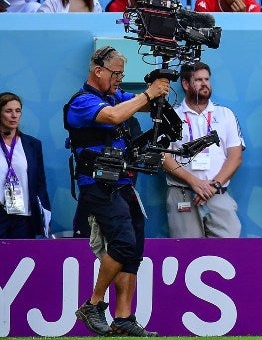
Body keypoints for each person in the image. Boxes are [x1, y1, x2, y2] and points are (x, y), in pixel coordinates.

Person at [67, 46, 171, 337]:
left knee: (134, 250)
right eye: (115, 74)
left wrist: (160, 87)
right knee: (123, 243)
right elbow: (113, 116)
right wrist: (149, 93)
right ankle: (93, 303)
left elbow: (144, 105)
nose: (119, 79)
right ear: (97, 71)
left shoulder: (116, 96)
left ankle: (123, 317)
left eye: (122, 75)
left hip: (124, 185)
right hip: (98, 187)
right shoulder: (82, 102)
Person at [163, 62, 244, 238]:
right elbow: (164, 157)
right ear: (185, 84)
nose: (205, 83)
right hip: (183, 193)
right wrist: (194, 182)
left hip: (217, 193)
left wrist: (213, 186)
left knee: (229, 249)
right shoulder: (171, 117)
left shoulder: (225, 114)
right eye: (198, 80)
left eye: (207, 79)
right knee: (186, 253)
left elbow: (235, 157)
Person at [0, 91, 50, 238]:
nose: (14, 115)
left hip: (24, 216)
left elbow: (40, 182)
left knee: (21, 258)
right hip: (1, 212)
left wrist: (44, 215)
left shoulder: (33, 145)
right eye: (8, 111)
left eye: (18, 111)